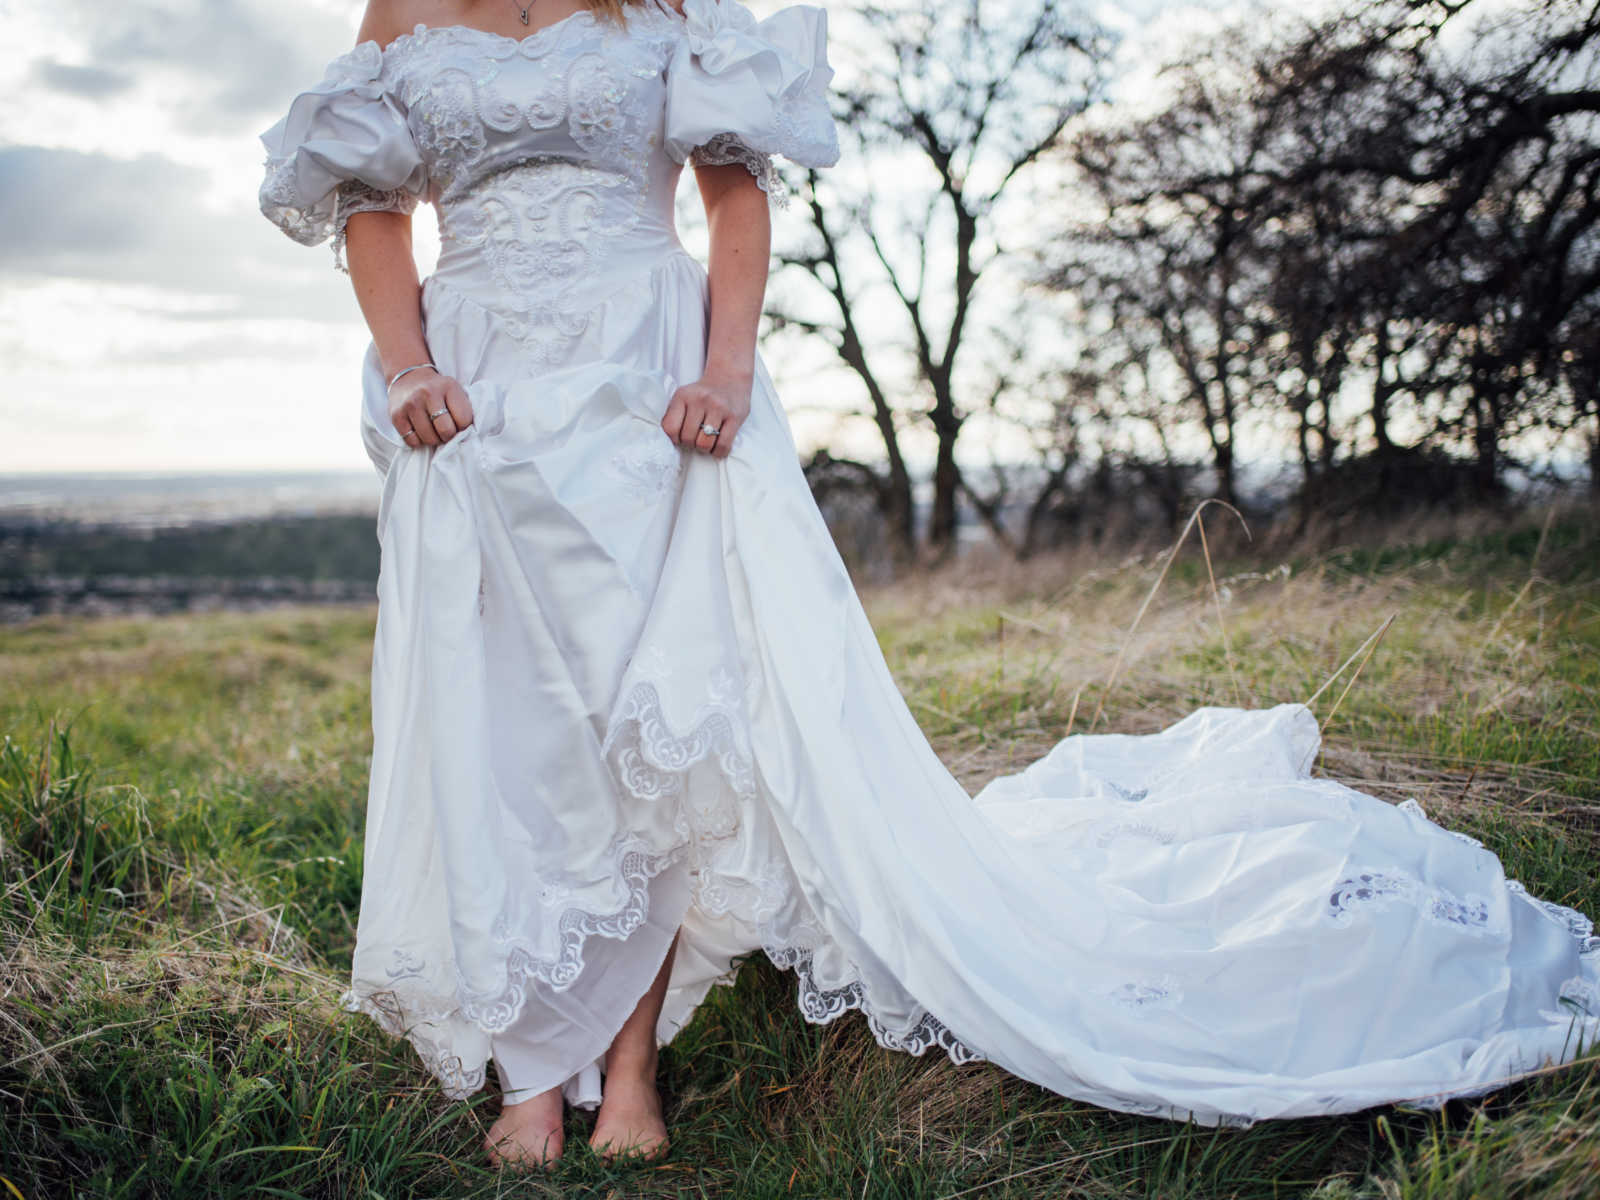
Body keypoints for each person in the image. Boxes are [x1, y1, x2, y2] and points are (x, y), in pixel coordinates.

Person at [258, 0, 1600, 1173]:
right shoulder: (404, 8)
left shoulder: (665, 0)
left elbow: (734, 193)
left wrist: (727, 374)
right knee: (504, 727)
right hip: (476, 401)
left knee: (646, 722)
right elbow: (373, 205)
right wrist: (407, 362)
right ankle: (526, 1074)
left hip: (645, 387)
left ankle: (626, 1072)